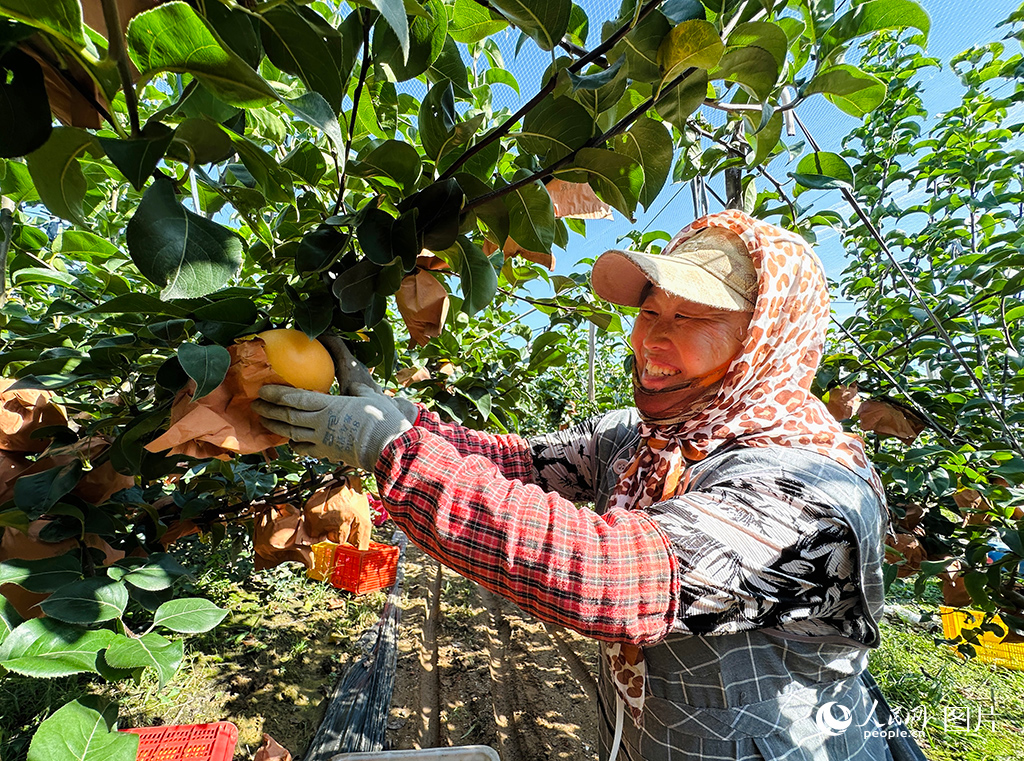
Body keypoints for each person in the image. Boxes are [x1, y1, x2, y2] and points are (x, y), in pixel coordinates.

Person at [253, 210, 909, 761]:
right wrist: (405, 420)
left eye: (694, 317)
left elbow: (613, 574)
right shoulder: (649, 435)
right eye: (652, 309)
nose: (654, 336)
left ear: (763, 341)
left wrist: (395, 452)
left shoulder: (810, 491)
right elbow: (520, 460)